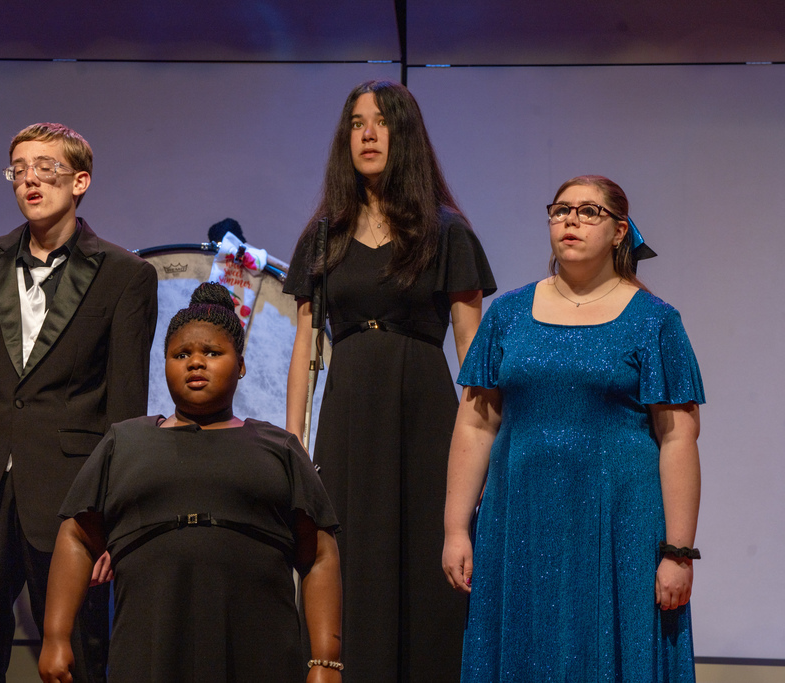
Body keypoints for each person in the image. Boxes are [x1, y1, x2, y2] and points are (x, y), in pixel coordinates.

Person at [0, 122, 158, 682]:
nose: (30, 179)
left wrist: (113, 518)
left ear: (81, 181)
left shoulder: (126, 276)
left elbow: (125, 408)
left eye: (46, 167)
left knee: (78, 654)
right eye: (19, 168)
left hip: (71, 496)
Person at [442, 175, 703, 681]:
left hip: (618, 527)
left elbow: (678, 438)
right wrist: (456, 528)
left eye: (588, 212)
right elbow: (475, 424)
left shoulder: (654, 321)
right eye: (561, 211)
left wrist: (678, 551)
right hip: (521, 523)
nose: (571, 221)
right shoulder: (508, 316)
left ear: (620, 231)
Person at [283, 79, 495, 680]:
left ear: (405, 136)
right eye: (357, 123)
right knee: (349, 560)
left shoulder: (446, 230)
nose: (368, 134)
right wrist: (294, 438)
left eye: (382, 122)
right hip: (348, 412)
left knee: (427, 566)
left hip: (424, 411)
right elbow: (305, 342)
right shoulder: (323, 234)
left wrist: (481, 444)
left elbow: (472, 350)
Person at [39, 283, 342, 683]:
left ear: (241, 365)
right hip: (150, 648)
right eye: (181, 354)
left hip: (258, 650)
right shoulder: (125, 442)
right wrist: (55, 635)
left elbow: (319, 553)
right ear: (164, 363)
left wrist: (325, 661)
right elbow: (76, 535)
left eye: (212, 353)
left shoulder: (279, 447)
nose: (195, 363)